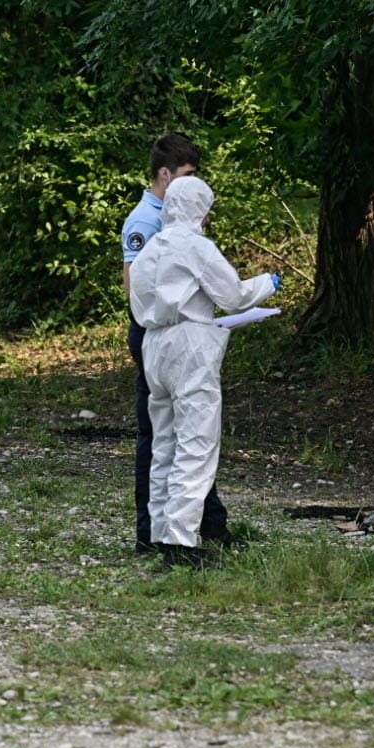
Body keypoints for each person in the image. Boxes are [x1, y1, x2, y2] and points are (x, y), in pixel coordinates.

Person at [128, 175, 278, 569]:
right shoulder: (195, 247)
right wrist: (267, 283)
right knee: (195, 443)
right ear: (199, 208)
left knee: (164, 442)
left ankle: (161, 532)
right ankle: (181, 543)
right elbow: (234, 296)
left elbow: (138, 299)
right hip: (189, 347)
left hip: (154, 344)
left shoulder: (149, 252)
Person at [120, 134, 234, 554]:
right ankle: (165, 535)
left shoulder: (172, 228)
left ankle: (188, 529)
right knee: (173, 441)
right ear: (165, 175)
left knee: (176, 439)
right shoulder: (146, 223)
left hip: (164, 338)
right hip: (164, 335)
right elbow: (137, 291)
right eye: (186, 176)